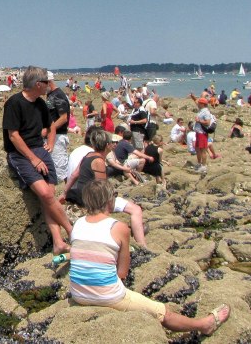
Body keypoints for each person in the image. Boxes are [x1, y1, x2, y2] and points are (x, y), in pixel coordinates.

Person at [69, 179, 230, 334]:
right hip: (107, 296)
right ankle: (204, 325)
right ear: (109, 200)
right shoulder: (119, 228)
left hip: (78, 294)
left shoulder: (78, 224)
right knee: (163, 313)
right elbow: (122, 272)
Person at [3, 67, 73, 255]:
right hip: (20, 153)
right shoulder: (14, 103)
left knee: (48, 194)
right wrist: (34, 159)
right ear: (37, 84)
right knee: (46, 194)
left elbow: (50, 125)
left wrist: (49, 144)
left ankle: (58, 242)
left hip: (39, 149)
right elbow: (14, 136)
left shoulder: (41, 103)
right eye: (46, 82)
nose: (49, 85)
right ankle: (72, 232)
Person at [60, 129, 147, 247]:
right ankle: (142, 245)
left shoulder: (88, 155)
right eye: (112, 142)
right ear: (107, 145)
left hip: (80, 194)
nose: (114, 144)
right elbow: (102, 188)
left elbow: (75, 175)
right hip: (90, 199)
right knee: (135, 209)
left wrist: (64, 193)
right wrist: (110, 204)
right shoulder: (98, 161)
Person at [45, 71, 71, 181]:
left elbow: (63, 118)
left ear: (48, 82)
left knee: (60, 169)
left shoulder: (58, 94)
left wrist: (48, 131)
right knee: (52, 166)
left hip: (58, 136)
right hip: (53, 135)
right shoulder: (50, 94)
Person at [192, 97, 213, 173]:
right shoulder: (201, 111)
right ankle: (199, 163)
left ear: (202, 104)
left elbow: (207, 122)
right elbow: (195, 100)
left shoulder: (206, 112)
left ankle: (203, 166)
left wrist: (199, 121)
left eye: (199, 103)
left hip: (202, 133)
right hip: (198, 132)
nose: (197, 104)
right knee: (197, 149)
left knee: (203, 150)